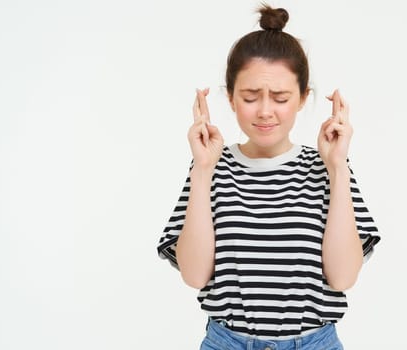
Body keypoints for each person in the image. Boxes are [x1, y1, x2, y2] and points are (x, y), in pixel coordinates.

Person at [157, 4, 381, 349]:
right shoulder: (210, 166)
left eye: (280, 98)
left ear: (303, 99)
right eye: (249, 97)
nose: (264, 111)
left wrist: (337, 166)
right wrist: (202, 168)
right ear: (230, 98)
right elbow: (194, 275)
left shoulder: (326, 167)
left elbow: (343, 277)